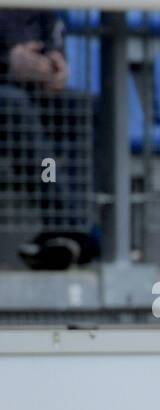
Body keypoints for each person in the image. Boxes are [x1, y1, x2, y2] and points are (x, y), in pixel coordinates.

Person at [0, 9, 99, 269]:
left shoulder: (40, 8)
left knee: (84, 109)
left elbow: (53, 35)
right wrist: (8, 61)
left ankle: (65, 230)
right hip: (7, 97)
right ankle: (71, 227)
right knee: (13, 104)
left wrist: (56, 64)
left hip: (34, 93)